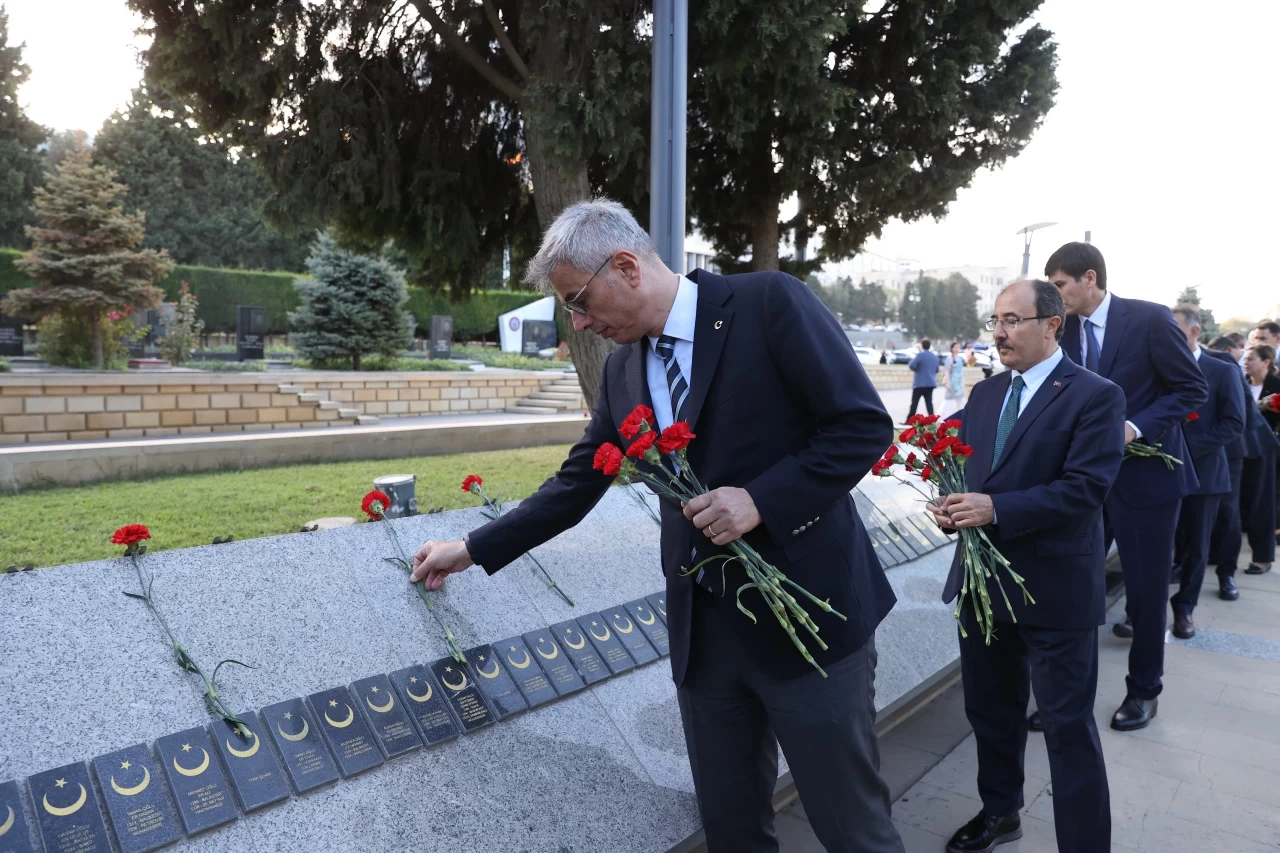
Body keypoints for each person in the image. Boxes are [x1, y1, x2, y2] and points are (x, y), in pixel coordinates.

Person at [408, 199, 904, 853]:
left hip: (808, 625)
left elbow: (862, 426)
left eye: (580, 301)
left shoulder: (769, 305)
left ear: (626, 266)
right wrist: (470, 548)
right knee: (732, 831)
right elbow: (576, 482)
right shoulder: (621, 371)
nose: (580, 322)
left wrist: (760, 499)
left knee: (852, 830)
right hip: (707, 646)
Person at [930, 279, 1124, 853]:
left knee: (1067, 728)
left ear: (1051, 325)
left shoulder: (1095, 395)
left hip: (1055, 591)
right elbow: (973, 475)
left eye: (1012, 320)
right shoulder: (987, 396)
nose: (998, 333)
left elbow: (1085, 490)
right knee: (990, 711)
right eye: (995, 321)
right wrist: (953, 505)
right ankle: (1000, 812)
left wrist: (995, 509)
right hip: (982, 584)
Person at [1048, 242, 1208, 732]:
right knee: (1074, 590)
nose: (1055, 299)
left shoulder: (1149, 320)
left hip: (1147, 482)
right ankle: (1065, 698)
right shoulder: (1062, 330)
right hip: (1083, 485)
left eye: (1060, 287)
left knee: (1143, 593)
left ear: (1089, 278)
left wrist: (1134, 428)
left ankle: (1144, 692)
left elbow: (1191, 389)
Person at [1167, 305, 1244, 638]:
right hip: (1162, 474)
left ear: (1194, 332)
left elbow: (1234, 423)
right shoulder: (1159, 369)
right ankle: (1136, 610)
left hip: (1205, 474)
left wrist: (1186, 449)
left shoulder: (1221, 371)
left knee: (1197, 548)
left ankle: (1184, 609)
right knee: (1155, 543)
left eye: (1175, 330)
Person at [1240, 344, 1280, 576]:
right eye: (1244, 359)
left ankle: (1262, 558)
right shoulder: (1241, 381)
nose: (1246, 363)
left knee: (1261, 504)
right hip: (1240, 449)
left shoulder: (1276, 386)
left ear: (1266, 362)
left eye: (1251, 359)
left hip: (1265, 450)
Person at [907, 339, 939, 419]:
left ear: (921, 345)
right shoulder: (934, 356)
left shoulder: (920, 355)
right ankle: (932, 419)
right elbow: (937, 370)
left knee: (914, 403)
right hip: (930, 383)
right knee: (929, 403)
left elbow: (911, 365)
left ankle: (910, 419)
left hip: (920, 383)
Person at [941, 341, 966, 417]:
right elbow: (947, 371)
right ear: (952, 349)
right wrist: (948, 383)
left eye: (958, 347)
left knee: (961, 401)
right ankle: (942, 418)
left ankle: (962, 417)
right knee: (948, 401)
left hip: (959, 383)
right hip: (952, 382)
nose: (957, 349)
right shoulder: (949, 359)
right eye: (955, 347)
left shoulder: (960, 359)